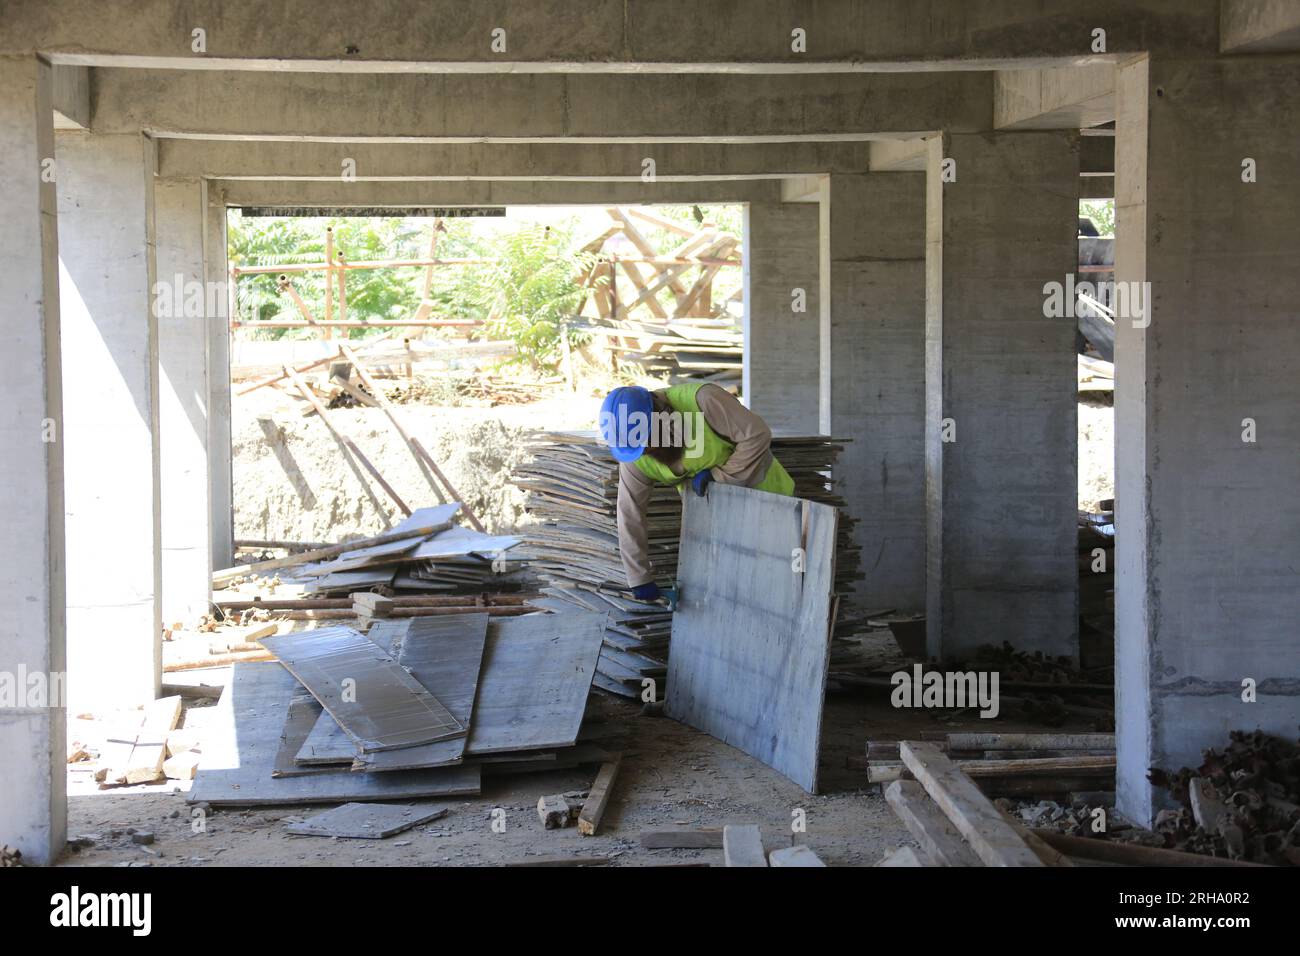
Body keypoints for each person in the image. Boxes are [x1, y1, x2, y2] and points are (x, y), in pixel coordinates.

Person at [598, 382, 794, 601]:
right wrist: (638, 577)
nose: (647, 451)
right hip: (718, 527)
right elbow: (629, 512)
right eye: (640, 448)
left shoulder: (704, 400)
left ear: (660, 415)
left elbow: (756, 435)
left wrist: (720, 478)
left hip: (771, 506)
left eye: (648, 441)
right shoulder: (636, 453)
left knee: (779, 592)